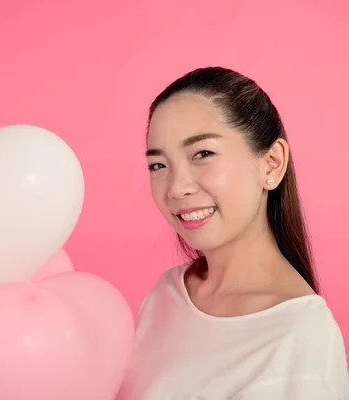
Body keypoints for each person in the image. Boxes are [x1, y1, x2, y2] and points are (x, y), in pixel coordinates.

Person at [116, 67, 349, 400]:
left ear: (271, 164)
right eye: (158, 165)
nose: (177, 187)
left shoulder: (299, 337)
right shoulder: (165, 294)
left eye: (203, 154)